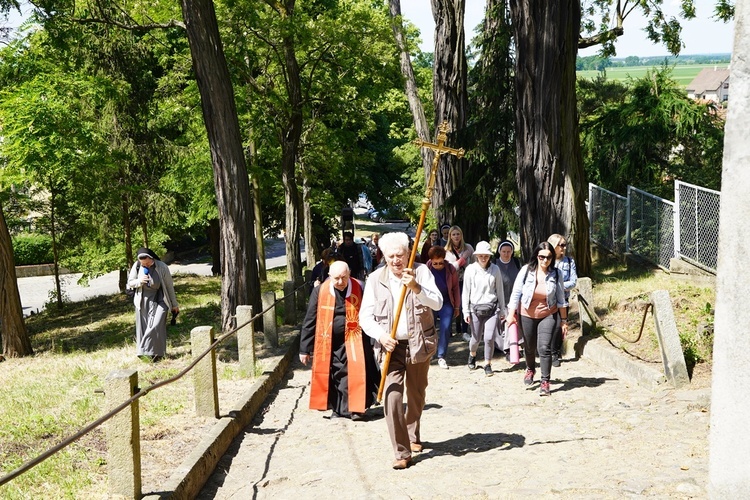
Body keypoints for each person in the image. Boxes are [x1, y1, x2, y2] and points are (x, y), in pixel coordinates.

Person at [359, 232, 443, 470]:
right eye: (391, 256)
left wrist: (416, 287)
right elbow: (365, 317)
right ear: (383, 256)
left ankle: (412, 432)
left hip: (418, 344)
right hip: (390, 348)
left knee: (416, 395)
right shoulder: (375, 279)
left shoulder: (422, 272)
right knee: (392, 396)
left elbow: (437, 303)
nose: (396, 260)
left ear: (409, 253)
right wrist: (381, 335)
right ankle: (401, 451)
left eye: (400, 255)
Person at [299, 261, 379, 420]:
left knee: (354, 373)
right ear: (329, 276)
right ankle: (338, 408)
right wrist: (304, 349)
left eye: (344, 277)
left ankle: (355, 409)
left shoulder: (360, 287)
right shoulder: (319, 291)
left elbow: (371, 312)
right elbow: (310, 320)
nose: (341, 282)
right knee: (334, 375)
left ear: (350, 274)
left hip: (356, 339)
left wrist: (375, 340)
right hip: (329, 342)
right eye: (336, 278)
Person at [505, 242, 568, 396]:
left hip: (548, 314)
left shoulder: (556, 273)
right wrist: (511, 314)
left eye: (548, 257)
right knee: (529, 347)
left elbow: (561, 298)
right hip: (527, 314)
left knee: (544, 348)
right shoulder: (526, 270)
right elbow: (516, 293)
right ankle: (530, 369)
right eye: (542, 257)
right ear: (537, 256)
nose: (545, 260)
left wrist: (564, 321)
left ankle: (545, 381)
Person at [461, 241, 506, 376]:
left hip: (492, 308)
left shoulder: (495, 269)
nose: (483, 258)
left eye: (486, 255)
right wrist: (466, 311)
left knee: (489, 337)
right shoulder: (470, 269)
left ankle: (488, 363)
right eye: (481, 255)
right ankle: (472, 354)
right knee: (475, 339)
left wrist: (502, 310)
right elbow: (466, 292)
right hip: (475, 308)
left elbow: (500, 291)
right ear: (476, 256)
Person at [127, 247, 179, 361]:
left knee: (156, 325)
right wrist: (139, 281)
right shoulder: (136, 266)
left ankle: (145, 350)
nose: (145, 266)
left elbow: (169, 286)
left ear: (152, 259)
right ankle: (153, 356)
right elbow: (130, 283)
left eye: (147, 263)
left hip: (160, 299)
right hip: (143, 300)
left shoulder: (162, 267)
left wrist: (174, 304)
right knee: (144, 326)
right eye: (143, 264)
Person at [426, 246, 460, 369]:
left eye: (440, 263)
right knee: (429, 328)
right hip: (431, 302)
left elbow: (456, 288)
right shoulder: (427, 268)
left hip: (446, 302)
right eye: (435, 263)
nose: (438, 265)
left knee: (445, 328)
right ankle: (429, 353)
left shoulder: (450, 269)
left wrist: (457, 306)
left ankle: (441, 356)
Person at [548, 233, 578, 367]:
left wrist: (558, 286)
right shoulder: (547, 260)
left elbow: (573, 282)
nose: (564, 248)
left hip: (563, 300)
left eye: (565, 245)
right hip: (548, 300)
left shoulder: (569, 261)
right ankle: (548, 350)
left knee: (560, 326)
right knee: (550, 326)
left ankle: (555, 352)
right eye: (561, 245)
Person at [444, 225, 474, 338]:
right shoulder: (446, 251)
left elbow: (475, 263)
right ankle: (452, 329)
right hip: (452, 281)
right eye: (453, 234)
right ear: (450, 236)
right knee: (453, 304)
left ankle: (464, 331)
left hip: (465, 280)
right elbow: (450, 268)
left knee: (464, 304)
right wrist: (461, 260)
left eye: (458, 234)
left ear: (461, 235)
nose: (456, 236)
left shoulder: (468, 248)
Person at [495, 240, 522, 360]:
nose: (506, 254)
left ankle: (513, 347)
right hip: (500, 298)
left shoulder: (516, 263)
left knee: (512, 322)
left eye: (509, 251)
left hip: (514, 298)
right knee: (502, 323)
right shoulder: (494, 264)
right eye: (503, 251)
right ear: (499, 251)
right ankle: (503, 346)